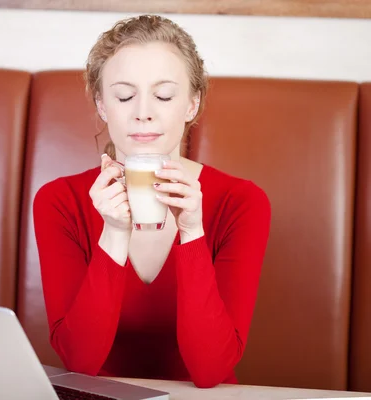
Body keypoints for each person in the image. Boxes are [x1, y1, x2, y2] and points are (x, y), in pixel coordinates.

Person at [32, 14, 271, 389]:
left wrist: (192, 233)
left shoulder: (241, 202)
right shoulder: (59, 201)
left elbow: (210, 371)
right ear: (102, 105)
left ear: (191, 105)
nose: (143, 111)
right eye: (125, 95)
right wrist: (113, 234)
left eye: (163, 95)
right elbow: (79, 362)